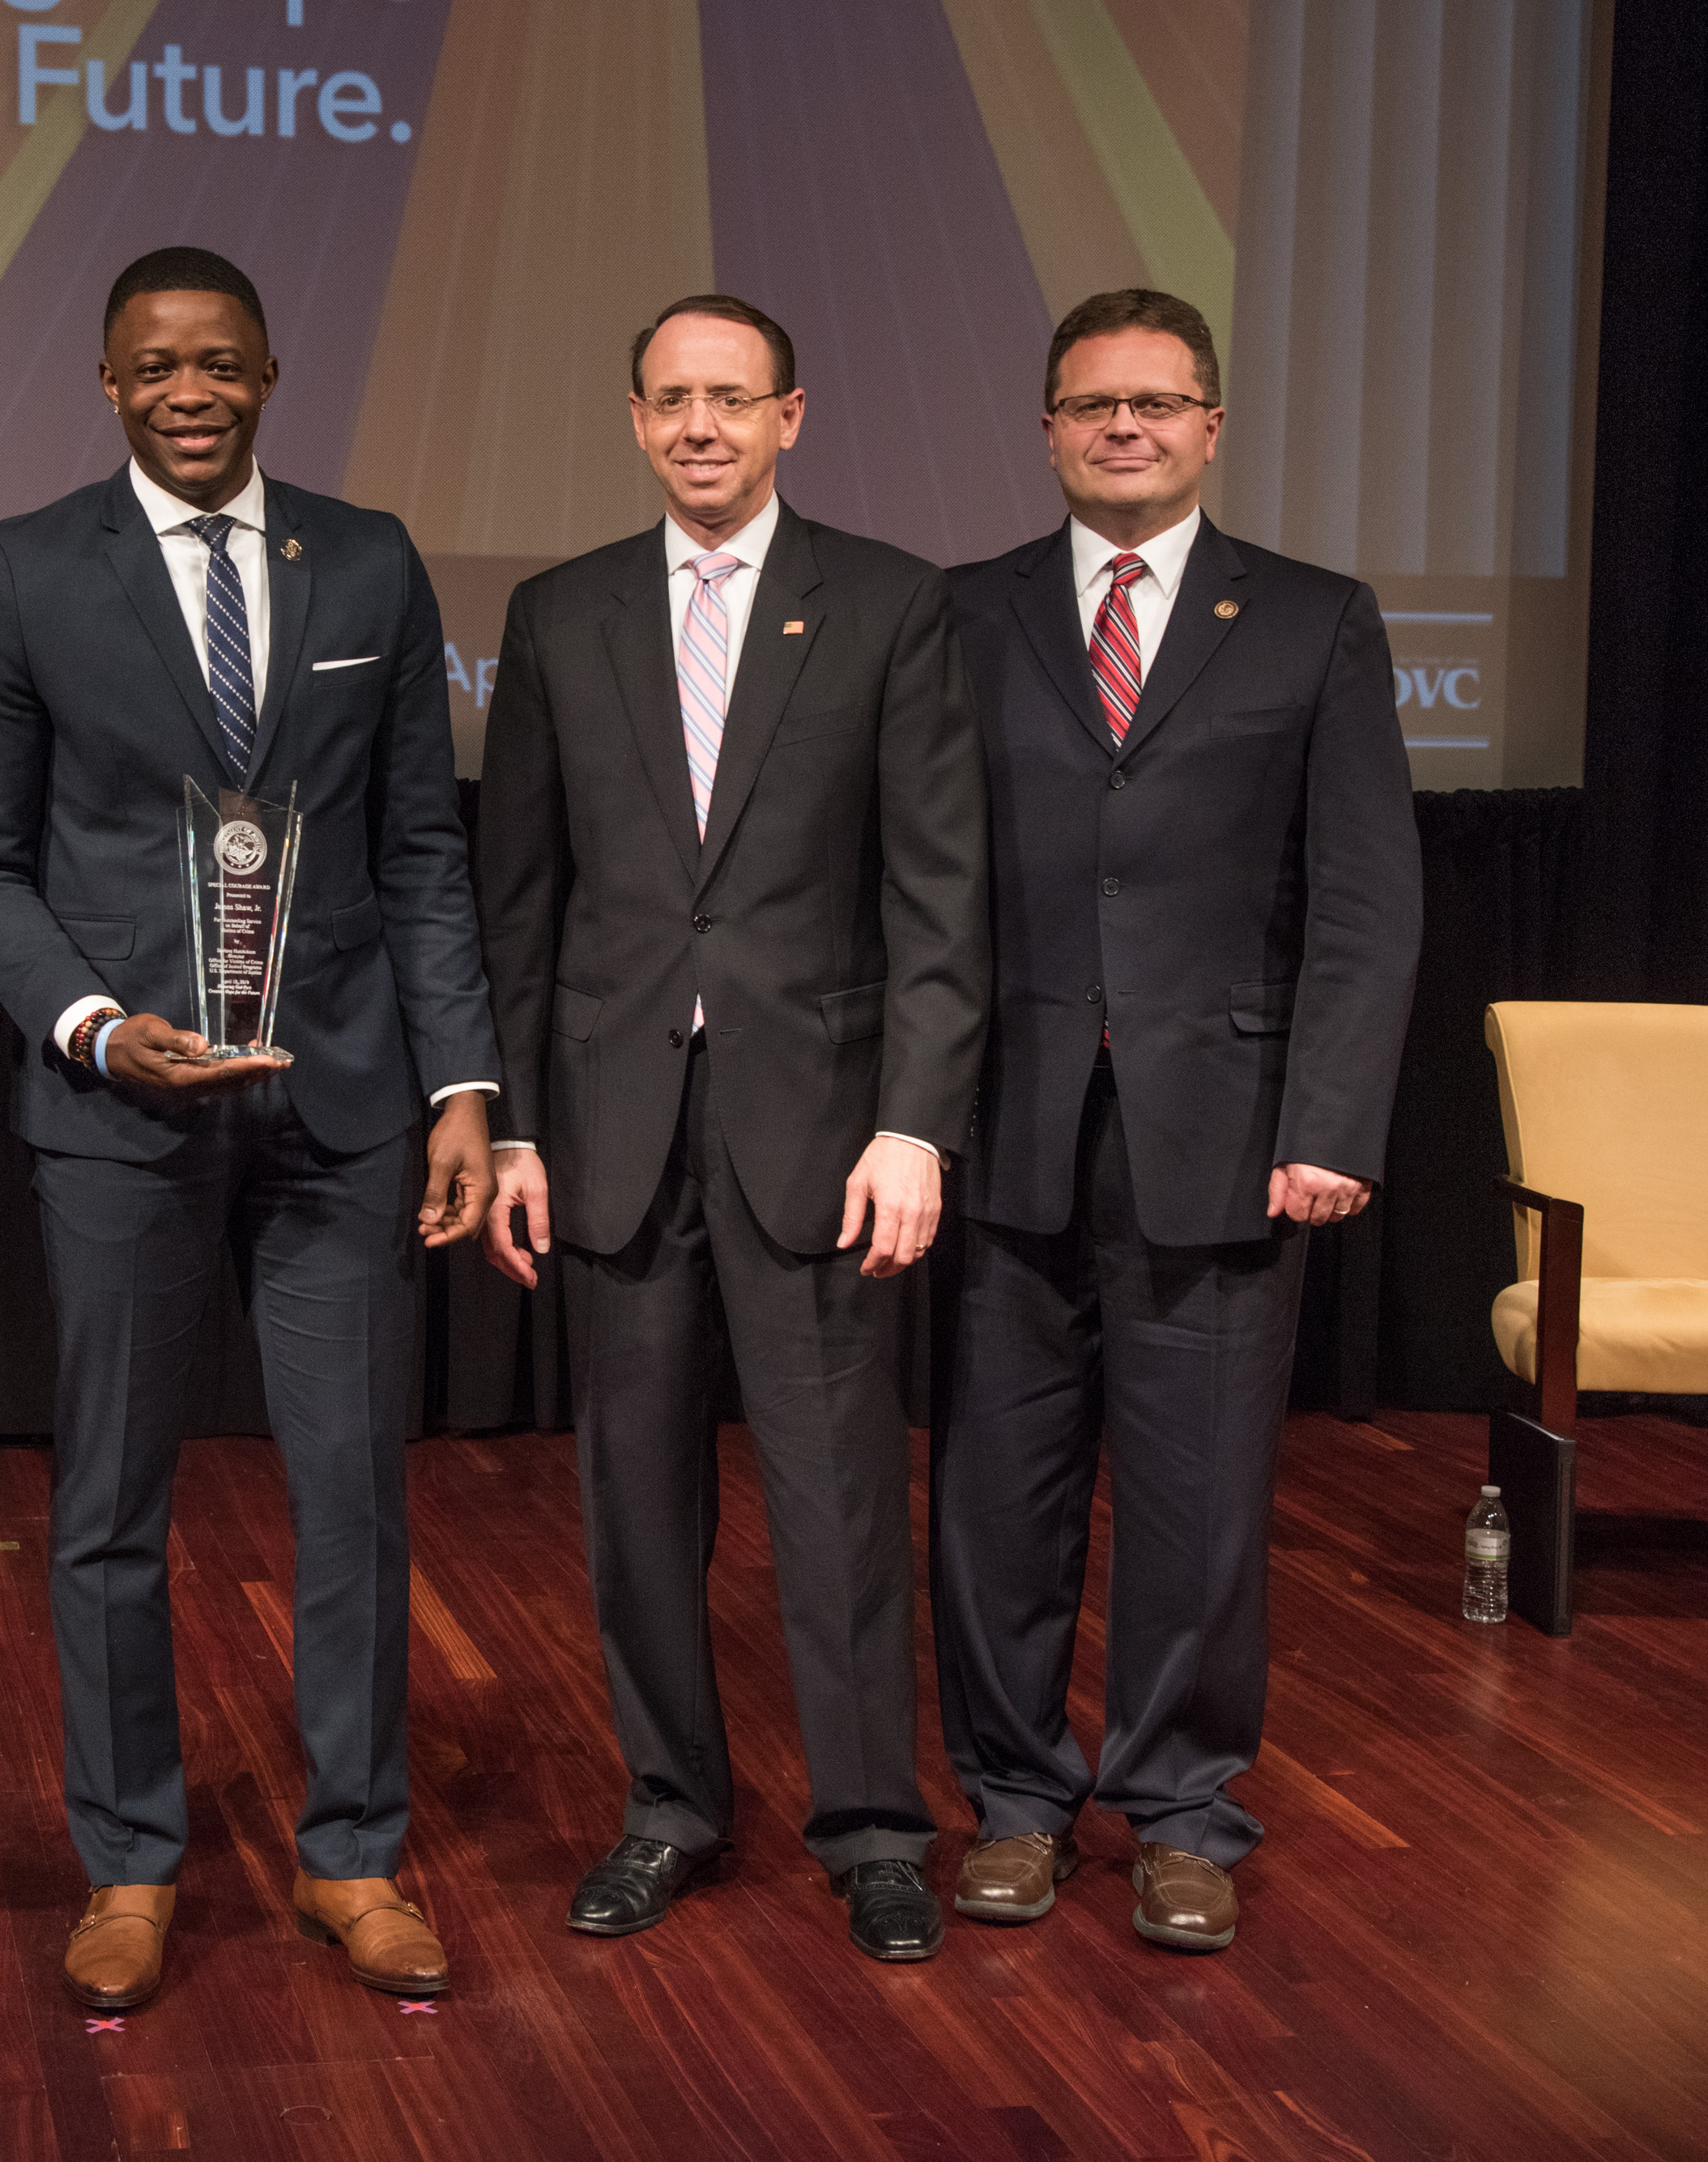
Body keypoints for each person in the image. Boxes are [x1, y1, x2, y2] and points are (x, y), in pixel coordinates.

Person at [0, 247, 500, 2011]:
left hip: (337, 1108)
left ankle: (351, 1851)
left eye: (220, 362)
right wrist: (96, 1029)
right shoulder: (24, 573)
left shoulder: (371, 556)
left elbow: (420, 848)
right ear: (107, 383)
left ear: (268, 371)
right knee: (108, 1506)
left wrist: (461, 1085)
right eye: (154, 364)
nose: (190, 389)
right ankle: (128, 1860)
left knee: (352, 1496)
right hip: (118, 1112)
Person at [476, 294, 990, 1964]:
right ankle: (668, 1809)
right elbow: (522, 903)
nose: (700, 427)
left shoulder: (890, 606)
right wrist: (516, 1131)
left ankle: (868, 1826)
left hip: (822, 1131)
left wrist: (914, 1122)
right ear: (633, 420)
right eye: (670, 401)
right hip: (612, 1125)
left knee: (840, 1492)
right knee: (633, 1497)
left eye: (731, 399)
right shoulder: (559, 616)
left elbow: (936, 895)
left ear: (791, 415)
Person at [931, 290, 1421, 1952]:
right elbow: (912, 891)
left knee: (1200, 1500)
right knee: (997, 1493)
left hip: (1222, 1130)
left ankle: (1181, 1809)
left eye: (1155, 403)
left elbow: (1362, 897)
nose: (1121, 429)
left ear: (1211, 425)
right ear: (1047, 427)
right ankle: (1011, 1799)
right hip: (1000, 1125)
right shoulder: (963, 613)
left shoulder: (1310, 619)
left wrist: (1332, 1118)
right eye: (1090, 405)